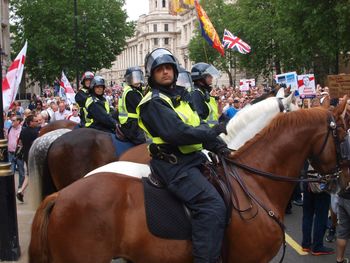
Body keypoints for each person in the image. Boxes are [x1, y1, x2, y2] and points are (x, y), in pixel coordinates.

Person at [137, 48, 232, 263]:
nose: (165, 72)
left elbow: (195, 126)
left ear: (175, 71)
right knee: (212, 206)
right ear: (151, 75)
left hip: (193, 159)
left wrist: (221, 148)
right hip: (174, 165)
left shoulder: (181, 97)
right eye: (159, 69)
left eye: (168, 68)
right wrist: (213, 130)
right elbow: (177, 133)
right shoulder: (153, 102)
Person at [117, 67, 146, 145]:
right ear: (129, 79)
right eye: (134, 78)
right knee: (143, 144)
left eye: (138, 77)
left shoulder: (129, 90)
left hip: (127, 123)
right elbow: (144, 108)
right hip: (133, 126)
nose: (137, 80)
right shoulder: (132, 92)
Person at [16, 114, 40, 202]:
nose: (37, 122)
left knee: (29, 174)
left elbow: (20, 143)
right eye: (36, 121)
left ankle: (21, 191)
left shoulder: (23, 131)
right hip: (33, 155)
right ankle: (22, 191)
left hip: (26, 155)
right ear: (30, 123)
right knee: (32, 174)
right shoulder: (35, 132)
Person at [6, 115, 25, 193]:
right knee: (11, 171)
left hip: (19, 153)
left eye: (14, 120)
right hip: (10, 153)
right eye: (12, 120)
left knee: (21, 172)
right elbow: (7, 138)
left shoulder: (22, 130)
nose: (12, 122)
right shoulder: (10, 129)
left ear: (18, 122)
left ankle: (20, 187)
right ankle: (10, 188)